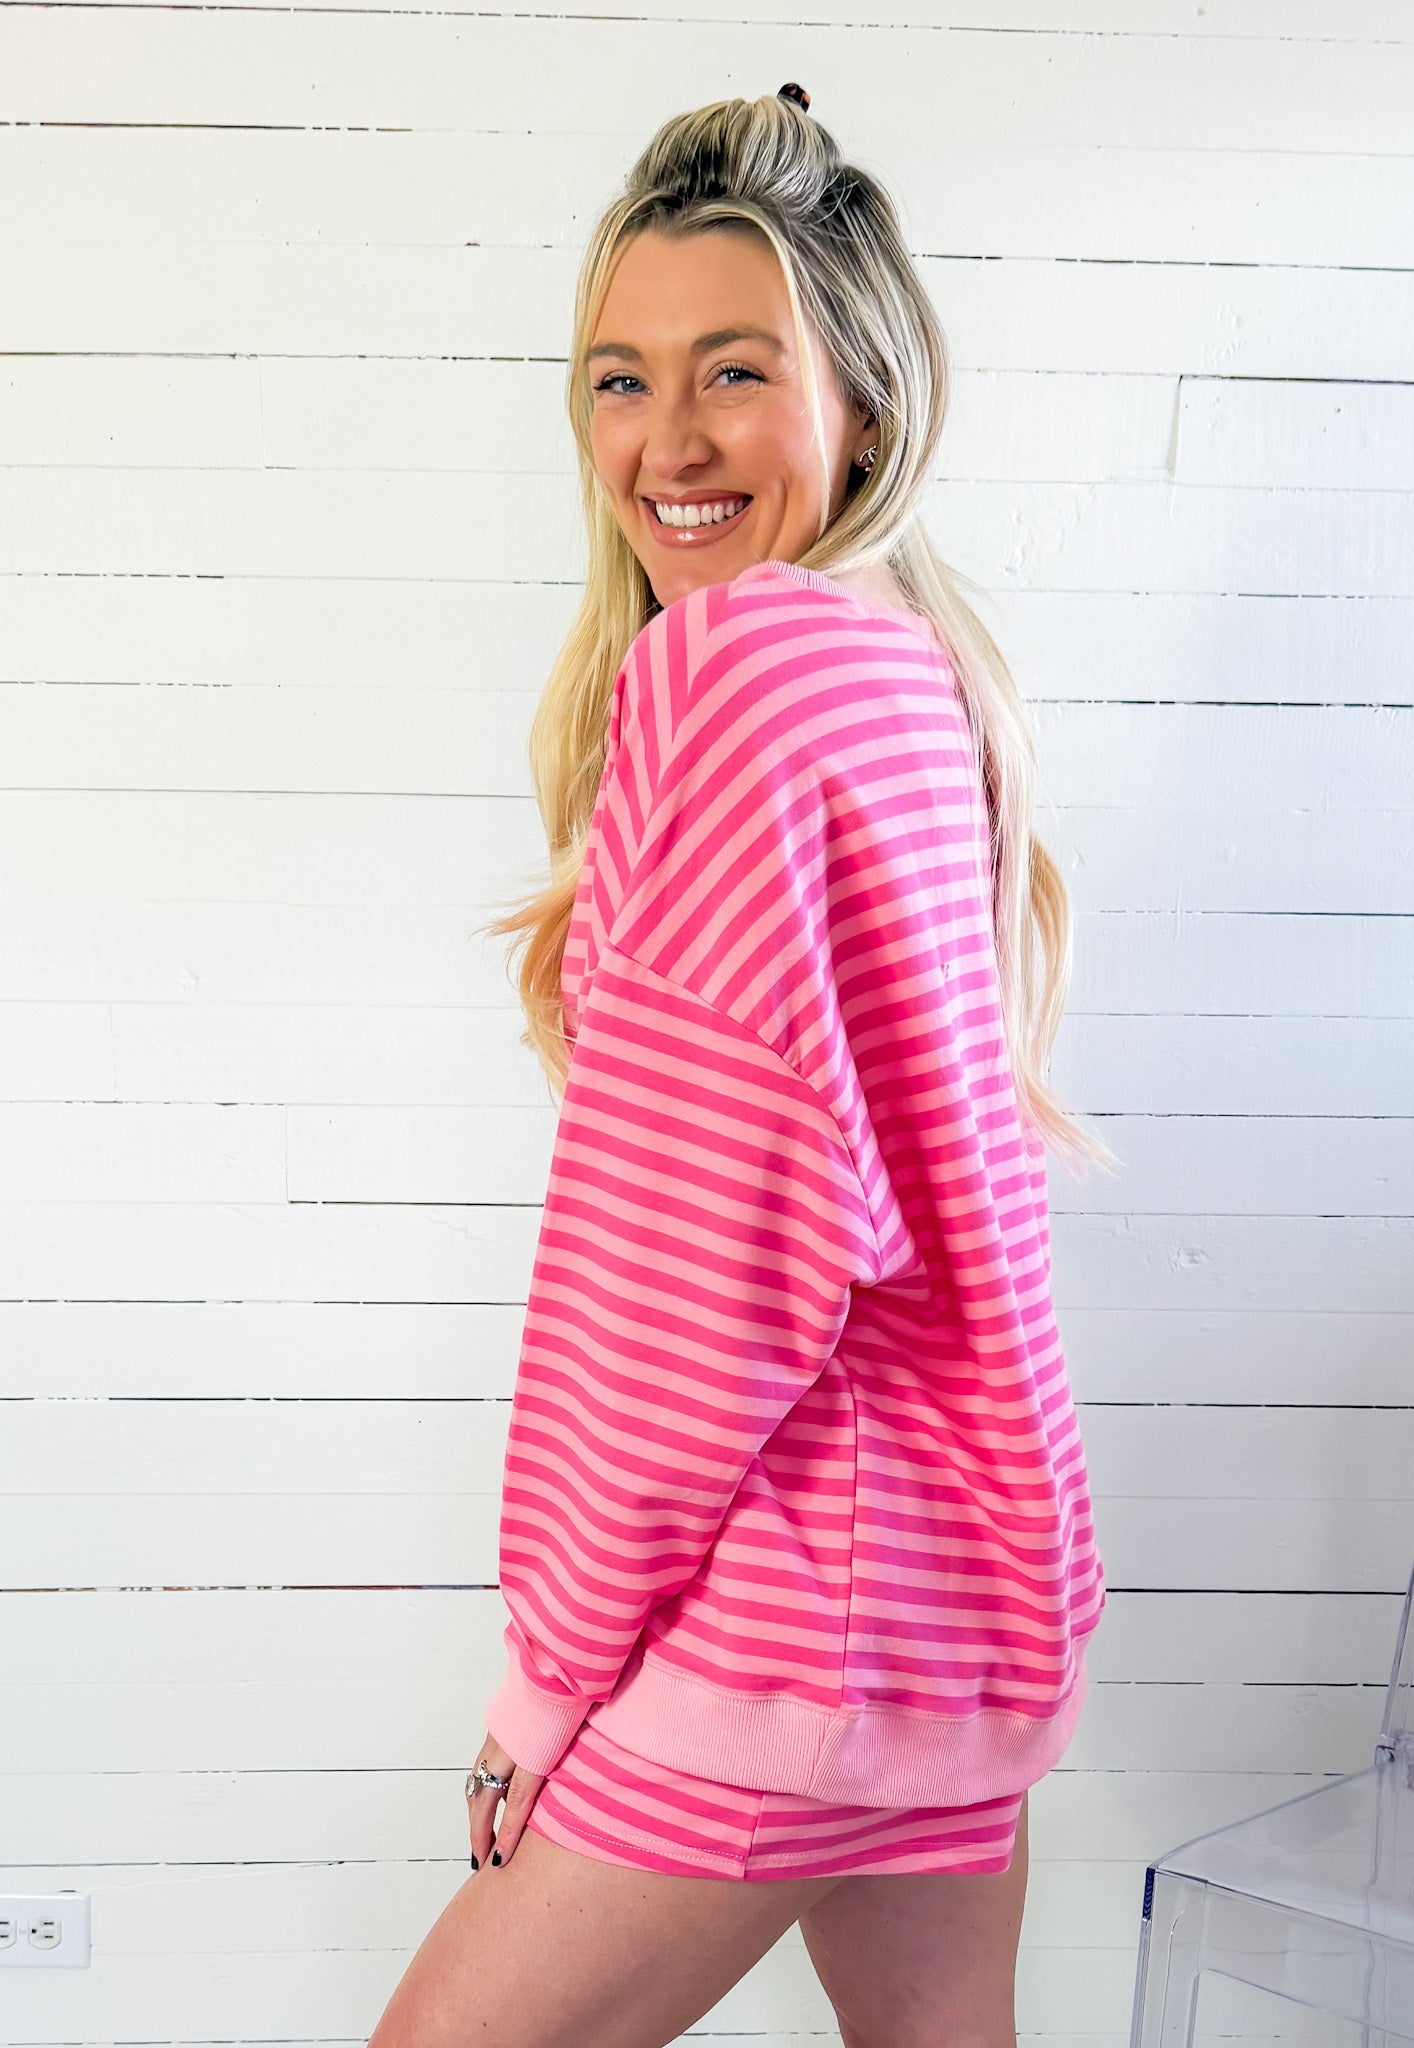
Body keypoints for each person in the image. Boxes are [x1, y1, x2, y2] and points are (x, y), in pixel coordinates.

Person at [368, 81, 1115, 2048]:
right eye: (618, 378)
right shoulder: (907, 668)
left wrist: (548, 1673)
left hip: (795, 1615)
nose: (664, 442)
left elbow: (705, 1286)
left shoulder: (737, 672)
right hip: (962, 1601)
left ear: (857, 400)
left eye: (731, 372)